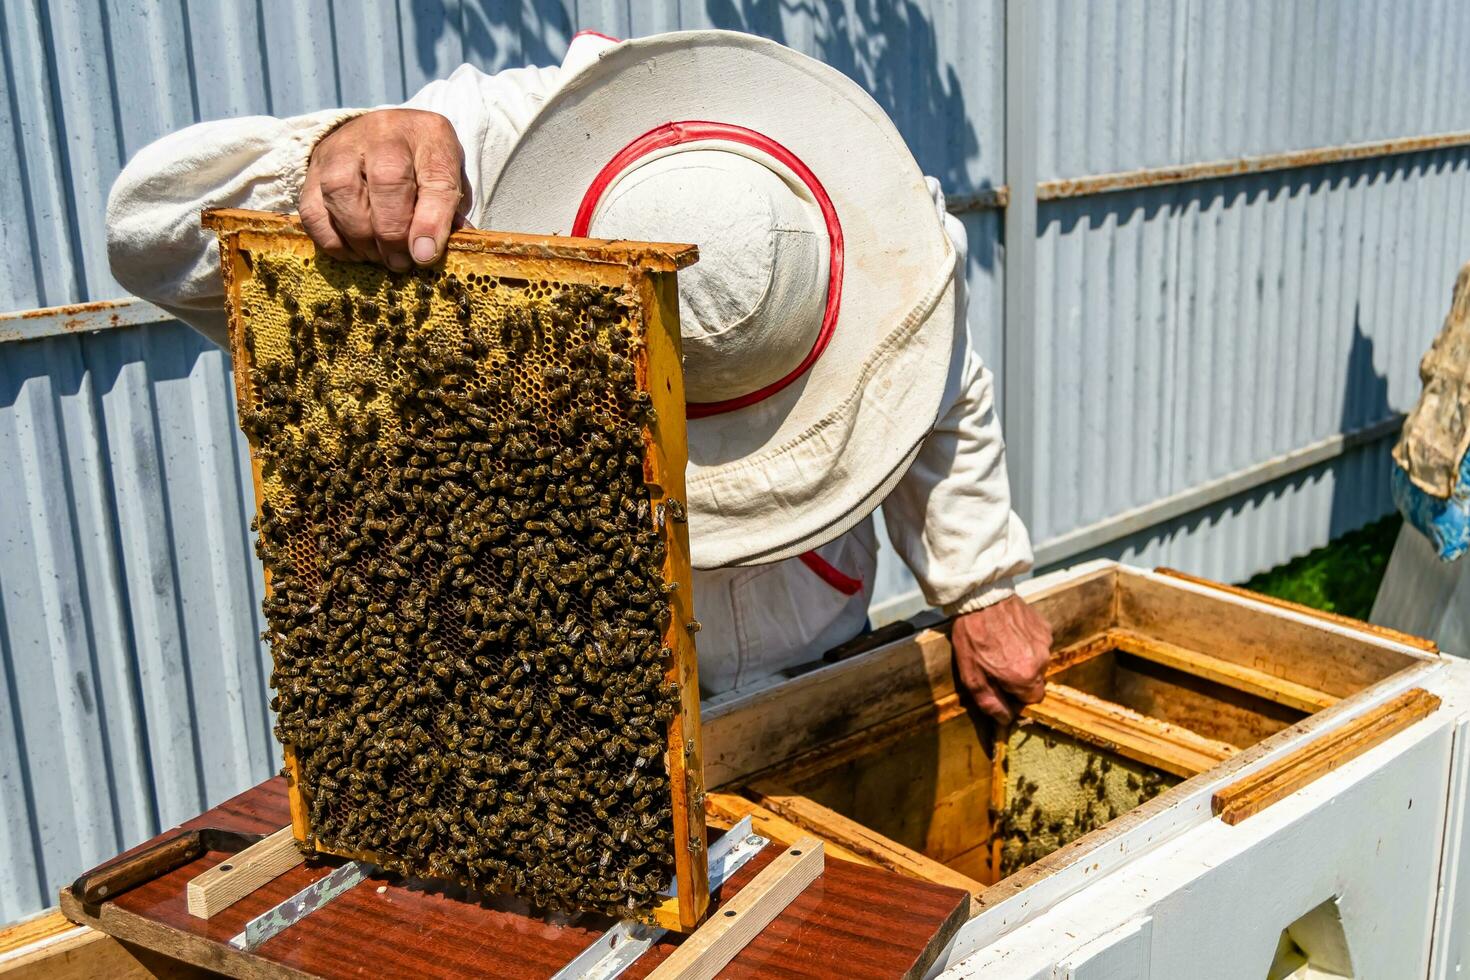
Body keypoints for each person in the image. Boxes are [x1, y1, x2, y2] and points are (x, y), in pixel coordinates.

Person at [107, 29, 1051, 721]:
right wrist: (331, 156)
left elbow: (938, 389)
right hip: (584, 698)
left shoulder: (891, 229)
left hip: (819, 661)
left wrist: (980, 581)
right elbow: (150, 231)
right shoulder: (479, 152)